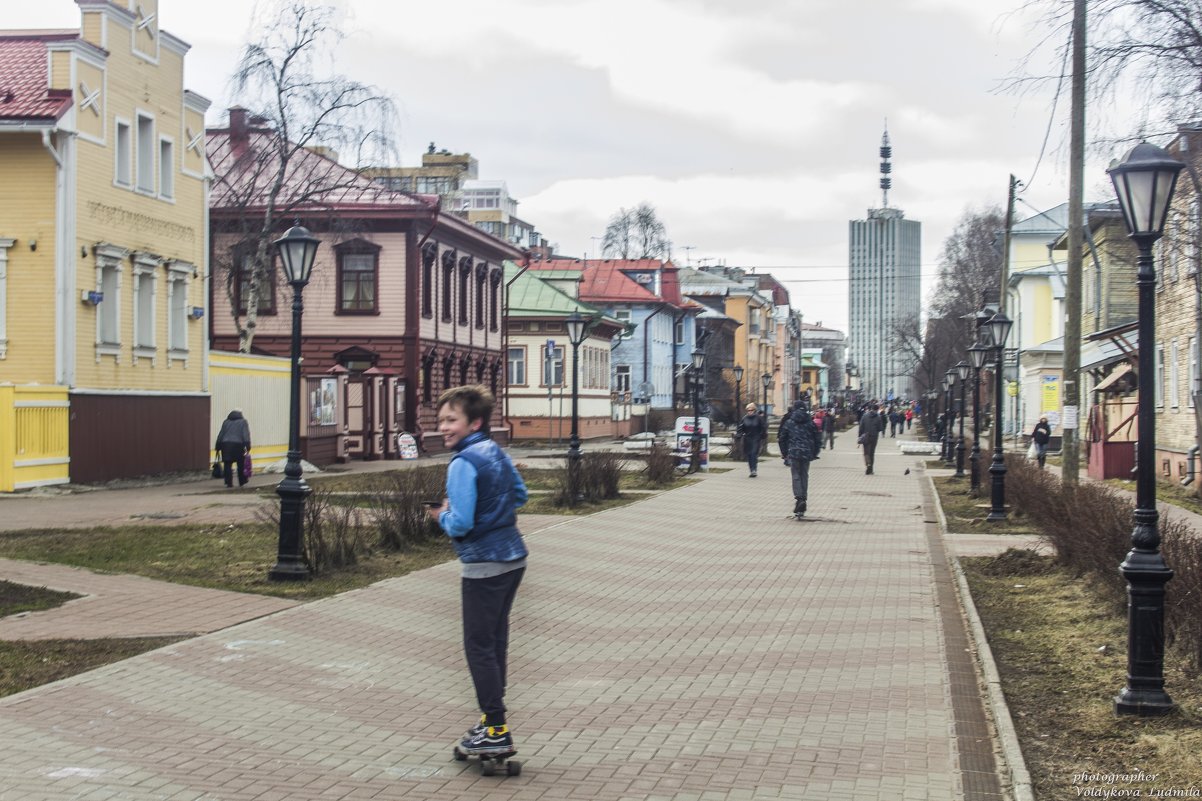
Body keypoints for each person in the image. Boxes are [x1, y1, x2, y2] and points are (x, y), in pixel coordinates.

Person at [427, 385, 529, 759]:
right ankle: (491, 725)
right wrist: (493, 508)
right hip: (513, 559)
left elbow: (461, 524)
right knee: (494, 642)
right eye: (441, 420)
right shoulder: (495, 452)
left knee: (479, 647)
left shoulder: (463, 462)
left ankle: (497, 728)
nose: (443, 427)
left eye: (451, 420)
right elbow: (520, 496)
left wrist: (441, 514)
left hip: (484, 565)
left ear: (475, 422)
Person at [778, 400, 821, 518]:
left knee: (796, 475)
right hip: (807, 453)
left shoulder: (789, 422)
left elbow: (782, 438)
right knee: (804, 475)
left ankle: (799, 498)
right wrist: (815, 452)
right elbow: (817, 438)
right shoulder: (810, 422)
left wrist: (784, 452)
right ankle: (803, 499)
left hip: (794, 452)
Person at [215, 409, 251, 488]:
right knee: (240, 464)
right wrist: (247, 445)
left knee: (227, 464)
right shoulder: (243, 422)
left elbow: (221, 434)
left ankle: (228, 483)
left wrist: (217, 446)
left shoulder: (226, 422)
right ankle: (242, 482)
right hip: (238, 445)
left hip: (225, 445)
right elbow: (245, 434)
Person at [736, 402, 766, 477]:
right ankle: (751, 469)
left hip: (756, 438)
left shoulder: (758, 418)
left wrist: (762, 435)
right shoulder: (744, 419)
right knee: (749, 454)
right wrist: (739, 434)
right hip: (747, 438)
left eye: (751, 410)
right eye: (748, 410)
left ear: (754, 410)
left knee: (753, 453)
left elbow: (763, 427)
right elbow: (740, 428)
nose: (750, 412)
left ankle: (754, 470)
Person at [858, 403, 883, 475]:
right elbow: (880, 428)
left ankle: (868, 465)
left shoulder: (864, 416)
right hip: (874, 437)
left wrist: (860, 436)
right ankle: (871, 469)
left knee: (866, 452)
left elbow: (861, 426)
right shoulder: (878, 417)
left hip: (865, 436)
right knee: (872, 453)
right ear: (877, 409)